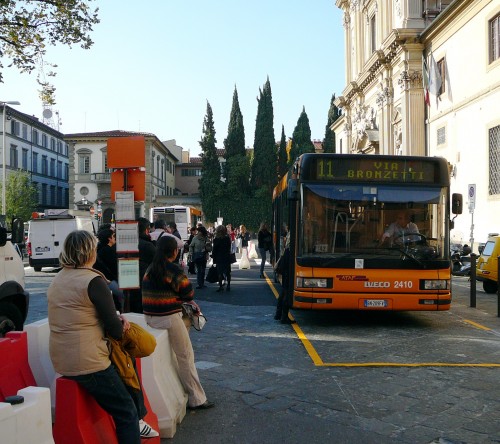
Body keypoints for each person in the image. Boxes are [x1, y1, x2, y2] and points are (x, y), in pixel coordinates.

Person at [47, 230, 158, 443]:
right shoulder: (93, 281)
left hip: (61, 359)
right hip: (89, 363)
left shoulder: (58, 278)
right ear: (90, 252)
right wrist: (120, 321)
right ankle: (139, 421)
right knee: (127, 412)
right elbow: (115, 331)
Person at [142, 235, 214, 410]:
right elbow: (188, 294)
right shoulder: (173, 270)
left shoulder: (150, 269)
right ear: (174, 252)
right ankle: (197, 398)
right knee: (186, 355)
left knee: (181, 351)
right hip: (168, 317)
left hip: (150, 317)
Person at [93, 226, 124, 312]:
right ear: (109, 239)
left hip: (103, 279)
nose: (115, 238)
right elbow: (114, 267)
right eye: (114, 236)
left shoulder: (99, 249)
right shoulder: (108, 251)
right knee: (124, 295)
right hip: (109, 280)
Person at [129, 217, 157, 313]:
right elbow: (158, 262)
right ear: (146, 230)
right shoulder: (148, 245)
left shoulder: (126, 244)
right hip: (144, 281)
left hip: (128, 280)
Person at [274, 233, 294, 324]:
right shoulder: (291, 251)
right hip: (288, 274)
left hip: (285, 273)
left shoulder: (287, 249)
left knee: (282, 294)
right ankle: (284, 317)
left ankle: (278, 314)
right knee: (286, 296)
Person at [212, 225, 232, 292]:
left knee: (220, 273)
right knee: (228, 272)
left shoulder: (216, 239)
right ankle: (228, 285)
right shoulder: (227, 238)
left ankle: (221, 286)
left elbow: (214, 250)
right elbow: (229, 247)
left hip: (219, 257)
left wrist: (214, 259)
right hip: (226, 256)